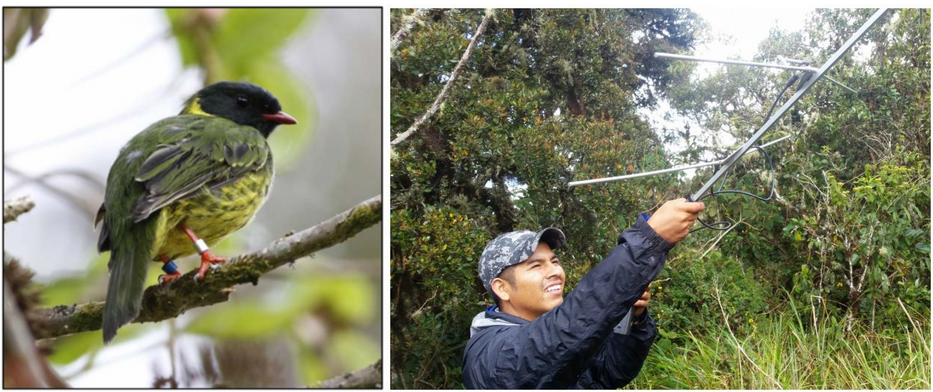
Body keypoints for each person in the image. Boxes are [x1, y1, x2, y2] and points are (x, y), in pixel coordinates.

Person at [462, 198, 705, 389]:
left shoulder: (562, 331)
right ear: (502, 288)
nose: (555, 271)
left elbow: (609, 373)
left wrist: (634, 319)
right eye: (536, 265)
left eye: (554, 261)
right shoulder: (489, 354)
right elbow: (562, 333)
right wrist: (649, 241)